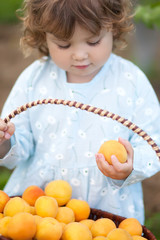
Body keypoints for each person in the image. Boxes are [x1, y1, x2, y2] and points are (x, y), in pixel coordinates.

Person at [0, 0, 160, 224]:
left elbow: (153, 141)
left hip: (106, 207)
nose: (79, 55)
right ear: (43, 36)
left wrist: (130, 167)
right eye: (64, 45)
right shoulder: (34, 79)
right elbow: (19, 139)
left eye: (93, 41)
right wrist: (4, 142)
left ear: (112, 28)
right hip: (41, 206)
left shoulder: (131, 81)